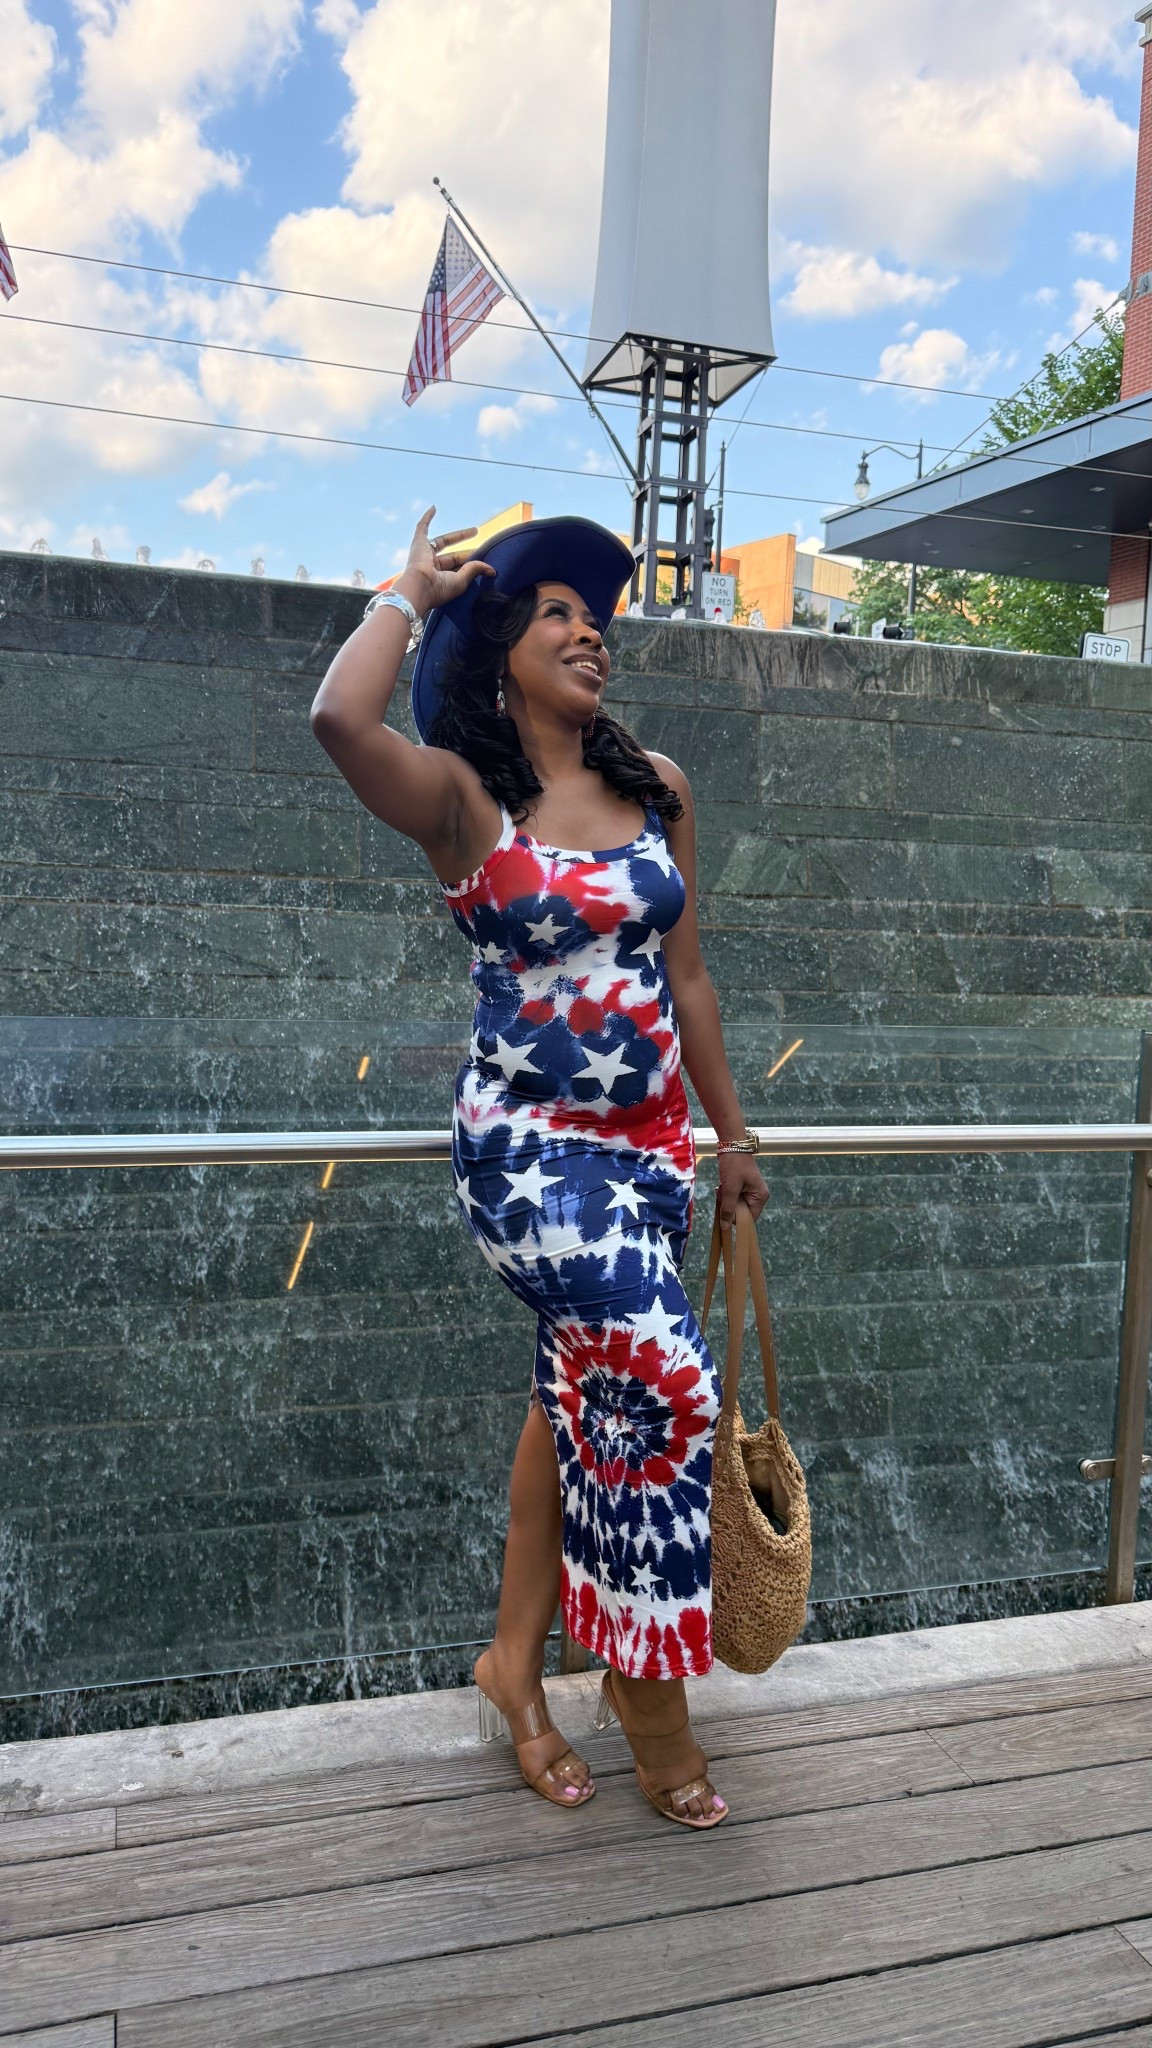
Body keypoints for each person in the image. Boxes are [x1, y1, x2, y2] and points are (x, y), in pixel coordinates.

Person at [311, 509, 769, 1831]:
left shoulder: (660, 786)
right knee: (663, 1383)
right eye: (555, 608)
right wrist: (406, 591)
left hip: (645, 1161)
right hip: (526, 1155)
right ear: (501, 640)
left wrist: (730, 1139)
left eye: (598, 615)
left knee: (580, 1397)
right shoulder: (463, 797)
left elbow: (688, 978)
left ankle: (513, 1667)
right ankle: (646, 1692)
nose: (588, 633)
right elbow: (340, 724)